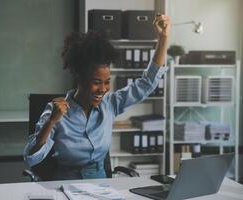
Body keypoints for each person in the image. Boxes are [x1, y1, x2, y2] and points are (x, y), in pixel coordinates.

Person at [24, 14, 171, 180]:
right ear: (79, 79)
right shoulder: (55, 111)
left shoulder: (109, 104)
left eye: (107, 82)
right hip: (65, 184)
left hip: (101, 186)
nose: (103, 89)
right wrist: (51, 122)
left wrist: (163, 37)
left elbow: (146, 83)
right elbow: (32, 158)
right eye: (96, 82)